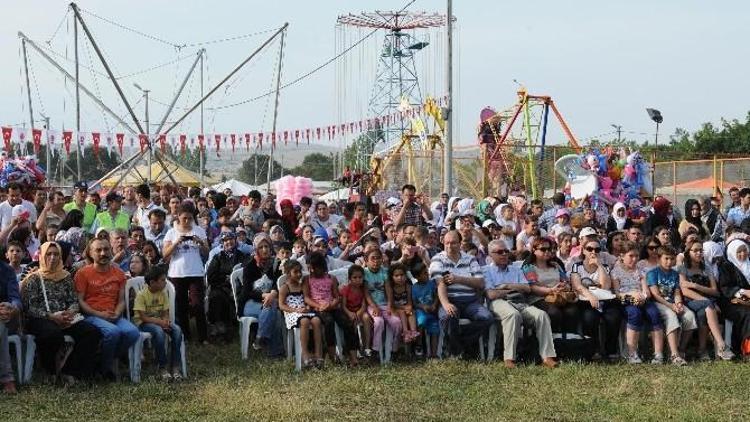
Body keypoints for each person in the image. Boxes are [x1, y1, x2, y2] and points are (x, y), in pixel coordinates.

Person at [484, 239, 557, 368]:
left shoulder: (515, 269)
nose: (504, 254)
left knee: (541, 315)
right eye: (500, 252)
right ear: (490, 255)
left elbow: (527, 288)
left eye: (506, 251)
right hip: (498, 302)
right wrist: (515, 288)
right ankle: (509, 359)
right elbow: (491, 294)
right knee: (513, 315)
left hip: (519, 301)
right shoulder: (486, 271)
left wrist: (506, 285)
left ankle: (547, 357)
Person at [74, 238, 139, 380]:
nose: (103, 253)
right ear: (91, 253)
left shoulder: (119, 273)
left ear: (111, 250)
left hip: (113, 315)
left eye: (106, 249)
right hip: (91, 315)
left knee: (133, 333)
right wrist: (99, 314)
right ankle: (105, 370)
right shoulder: (83, 273)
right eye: (98, 250)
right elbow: (80, 301)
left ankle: (102, 361)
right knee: (113, 332)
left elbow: (121, 300)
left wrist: (116, 313)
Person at [430, 230, 494, 358]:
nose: (449, 246)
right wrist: (446, 304)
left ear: (460, 244)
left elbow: (480, 283)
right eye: (446, 243)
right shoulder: (438, 259)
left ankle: (457, 344)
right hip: (450, 299)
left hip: (470, 301)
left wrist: (458, 279)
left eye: (453, 243)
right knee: (449, 315)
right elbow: (440, 283)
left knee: (487, 318)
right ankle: (461, 349)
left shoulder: (470, 259)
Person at [677, 241, 734, 361]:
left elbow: (715, 291)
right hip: (691, 301)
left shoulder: (706, 268)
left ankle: (702, 350)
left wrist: (696, 286)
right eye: (695, 250)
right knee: (708, 306)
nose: (699, 253)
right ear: (688, 252)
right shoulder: (683, 268)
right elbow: (686, 292)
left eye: (701, 250)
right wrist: (708, 301)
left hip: (706, 303)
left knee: (703, 313)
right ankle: (721, 345)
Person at [162, 203, 209, 344]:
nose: (187, 221)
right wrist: (176, 243)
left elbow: (207, 252)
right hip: (177, 273)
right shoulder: (171, 232)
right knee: (181, 306)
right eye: (184, 218)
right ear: (178, 217)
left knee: (197, 304)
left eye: (190, 218)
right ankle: (185, 336)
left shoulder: (199, 230)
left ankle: (203, 337)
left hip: (196, 271)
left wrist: (200, 242)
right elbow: (164, 255)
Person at [610, 241, 664, 364]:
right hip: (626, 301)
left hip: (642, 299)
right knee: (634, 314)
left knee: (654, 314)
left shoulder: (641, 270)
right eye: (631, 256)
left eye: (636, 256)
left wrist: (643, 297)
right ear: (622, 256)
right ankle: (632, 353)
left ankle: (658, 353)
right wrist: (631, 296)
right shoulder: (615, 272)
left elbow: (647, 291)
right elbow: (617, 293)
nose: (634, 259)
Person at [570, 239, 622, 360]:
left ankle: (611, 350)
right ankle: (593, 350)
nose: (593, 252)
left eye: (597, 249)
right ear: (583, 250)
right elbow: (577, 285)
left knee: (614, 317)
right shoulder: (577, 266)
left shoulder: (604, 267)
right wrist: (590, 296)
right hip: (586, 301)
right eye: (589, 249)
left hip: (605, 300)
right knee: (590, 318)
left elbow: (606, 286)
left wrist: (599, 266)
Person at [304, 251, 357, 366]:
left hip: (332, 307)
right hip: (318, 309)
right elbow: (307, 298)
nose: (312, 271)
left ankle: (353, 356)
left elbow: (337, 296)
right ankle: (333, 355)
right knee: (329, 322)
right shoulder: (307, 279)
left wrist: (332, 304)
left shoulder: (331, 278)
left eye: (314, 268)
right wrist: (319, 306)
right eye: (310, 268)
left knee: (347, 323)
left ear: (322, 267)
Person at [646, 246, 697, 366]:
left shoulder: (675, 274)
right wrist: (671, 306)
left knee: (690, 316)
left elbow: (677, 292)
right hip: (658, 303)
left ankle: (680, 349)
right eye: (666, 259)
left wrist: (678, 303)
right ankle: (674, 355)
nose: (669, 262)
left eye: (672, 259)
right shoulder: (652, 273)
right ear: (659, 259)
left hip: (673, 302)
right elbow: (656, 294)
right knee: (671, 316)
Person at [133, 265, 183, 381]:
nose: (165, 283)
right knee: (158, 331)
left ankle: (175, 366)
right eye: (162, 280)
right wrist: (161, 323)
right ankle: (162, 366)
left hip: (159, 321)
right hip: (143, 324)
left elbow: (165, 312)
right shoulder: (141, 295)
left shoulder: (163, 293)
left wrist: (165, 321)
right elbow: (144, 318)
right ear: (152, 282)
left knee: (177, 330)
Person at [238, 233, 284, 358]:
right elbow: (247, 291)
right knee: (272, 307)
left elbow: (279, 282)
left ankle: (262, 340)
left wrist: (273, 293)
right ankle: (275, 350)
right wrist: (266, 296)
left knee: (275, 311)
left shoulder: (276, 264)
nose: (264, 250)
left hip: (270, 301)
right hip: (250, 302)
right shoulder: (249, 265)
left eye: (267, 246)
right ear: (256, 249)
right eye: (261, 247)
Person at [523, 238, 579, 335]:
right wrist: (551, 290)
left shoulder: (555, 265)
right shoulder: (529, 267)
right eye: (543, 249)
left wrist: (564, 285)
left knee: (572, 312)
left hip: (559, 297)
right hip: (539, 298)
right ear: (534, 250)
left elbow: (565, 281)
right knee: (554, 313)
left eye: (549, 249)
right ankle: (552, 342)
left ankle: (568, 341)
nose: (547, 252)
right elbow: (532, 287)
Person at [206, 231, 248, 342]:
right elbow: (211, 276)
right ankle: (218, 327)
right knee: (216, 297)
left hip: (239, 287)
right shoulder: (218, 257)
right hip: (221, 286)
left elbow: (247, 272)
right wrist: (225, 279)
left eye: (231, 239)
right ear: (222, 243)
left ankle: (236, 326)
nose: (229, 242)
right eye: (225, 240)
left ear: (235, 240)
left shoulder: (242, 256)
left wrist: (235, 280)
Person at [279, 259, 322, 369]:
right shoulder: (285, 287)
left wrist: (307, 307)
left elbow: (306, 299)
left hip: (304, 311)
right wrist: (296, 310)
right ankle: (304, 352)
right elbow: (281, 305)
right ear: (288, 273)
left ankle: (318, 353)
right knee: (305, 321)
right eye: (295, 272)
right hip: (292, 313)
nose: (299, 274)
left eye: (300, 271)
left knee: (317, 320)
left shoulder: (302, 285)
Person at [363, 248, 402, 356]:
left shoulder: (384, 271)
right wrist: (374, 307)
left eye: (378, 258)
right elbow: (366, 293)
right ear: (366, 260)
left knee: (397, 323)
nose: (376, 261)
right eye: (373, 258)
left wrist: (390, 305)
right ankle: (375, 350)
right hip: (371, 305)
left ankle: (394, 349)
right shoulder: (365, 272)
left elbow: (388, 289)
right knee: (379, 322)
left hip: (385, 305)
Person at [717, 239, 750, 359]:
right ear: (732, 252)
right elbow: (725, 288)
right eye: (739, 252)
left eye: (745, 250)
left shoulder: (748, 263)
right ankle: (746, 350)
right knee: (747, 314)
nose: (743, 254)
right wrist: (744, 292)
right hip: (731, 301)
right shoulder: (726, 266)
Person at [0, 257, 21, 393]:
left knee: (2, 315)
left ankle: (6, 377)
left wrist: (12, 308)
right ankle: (7, 378)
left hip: (6, 317)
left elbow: (15, 299)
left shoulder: (6, 270)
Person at [385, 263, 419, 344]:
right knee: (402, 312)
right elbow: (392, 303)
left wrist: (409, 307)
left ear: (405, 275)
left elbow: (409, 300)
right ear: (392, 277)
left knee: (412, 312)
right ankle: (406, 332)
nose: (400, 278)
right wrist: (404, 308)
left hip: (405, 307)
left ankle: (413, 332)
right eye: (396, 276)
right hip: (396, 309)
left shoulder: (407, 286)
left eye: (402, 275)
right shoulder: (391, 287)